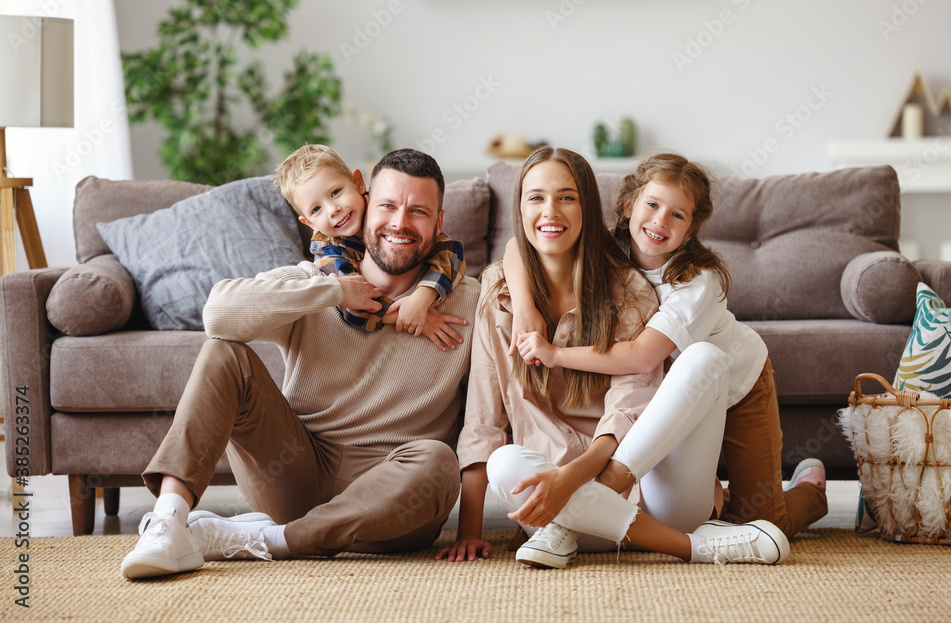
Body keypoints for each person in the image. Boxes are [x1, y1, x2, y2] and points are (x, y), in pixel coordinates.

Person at [121, 148, 480, 580]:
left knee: (438, 461)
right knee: (223, 353)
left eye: (418, 211)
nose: (400, 223)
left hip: (394, 501)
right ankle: (167, 523)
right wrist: (334, 292)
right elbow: (217, 315)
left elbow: (484, 419)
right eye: (387, 206)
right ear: (367, 205)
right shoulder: (314, 281)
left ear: (438, 223)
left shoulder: (469, 302)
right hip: (295, 473)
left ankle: (271, 539)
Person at [436, 147, 789, 570]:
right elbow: (483, 417)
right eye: (536, 197)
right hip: (554, 496)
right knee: (504, 462)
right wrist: (469, 531)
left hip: (648, 473)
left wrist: (575, 477)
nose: (551, 210)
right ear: (627, 208)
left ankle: (800, 492)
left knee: (706, 362)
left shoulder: (642, 286)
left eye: (567, 197)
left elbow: (637, 376)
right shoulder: (501, 290)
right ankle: (687, 541)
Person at [514, 153, 828, 539]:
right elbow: (517, 246)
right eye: (652, 205)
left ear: (692, 228)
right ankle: (719, 500)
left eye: (677, 215)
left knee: (763, 522)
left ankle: (811, 492)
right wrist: (524, 306)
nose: (660, 221)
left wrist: (556, 354)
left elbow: (643, 356)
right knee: (697, 499)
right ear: (628, 206)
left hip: (737, 386)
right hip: (674, 393)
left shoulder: (697, 282)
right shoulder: (608, 249)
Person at [275, 144, 466, 345]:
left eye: (335, 192)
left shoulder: (382, 207)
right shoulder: (328, 250)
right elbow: (355, 305)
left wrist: (423, 297)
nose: (333, 210)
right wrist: (410, 316)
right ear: (310, 224)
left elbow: (451, 251)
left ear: (358, 183)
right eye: (316, 209)